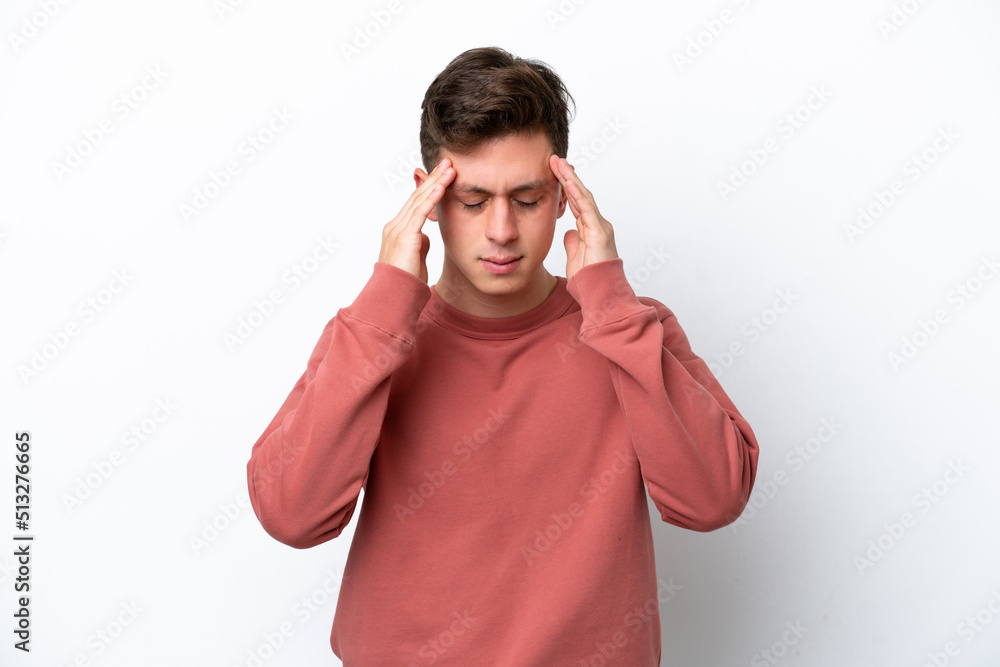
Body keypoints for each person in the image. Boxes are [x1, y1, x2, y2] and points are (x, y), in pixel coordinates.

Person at [246, 45, 759, 666]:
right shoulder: (372, 336)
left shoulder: (630, 327)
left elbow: (711, 501)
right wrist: (386, 300)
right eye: (471, 201)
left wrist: (612, 308)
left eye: (527, 198)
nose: (500, 231)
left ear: (566, 193)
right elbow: (292, 517)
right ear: (428, 199)